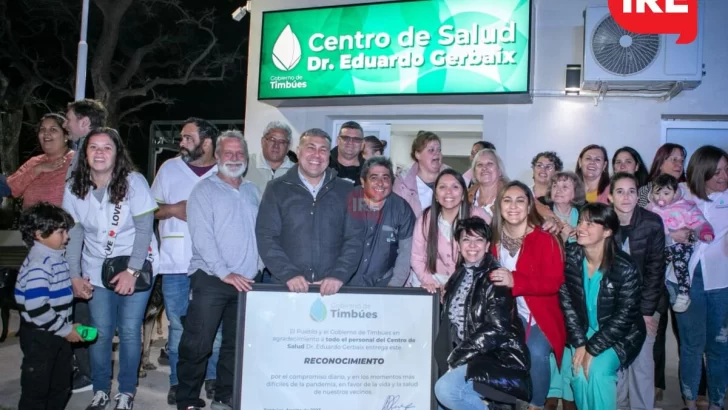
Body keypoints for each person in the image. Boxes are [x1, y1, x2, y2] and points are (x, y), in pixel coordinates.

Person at [63, 128, 159, 410]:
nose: (100, 153)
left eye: (107, 147)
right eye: (94, 147)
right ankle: (101, 389)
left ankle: (126, 392)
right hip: (95, 268)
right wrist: (75, 275)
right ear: (85, 153)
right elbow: (75, 235)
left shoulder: (134, 182)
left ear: (117, 153)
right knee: (101, 331)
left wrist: (131, 271)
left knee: (129, 330)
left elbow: (144, 229)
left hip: (134, 265)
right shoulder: (73, 186)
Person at [176, 131, 260, 410]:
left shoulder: (251, 190)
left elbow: (258, 233)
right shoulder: (204, 190)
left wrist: (257, 267)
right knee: (198, 344)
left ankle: (224, 397)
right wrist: (225, 273)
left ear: (246, 159)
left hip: (246, 282)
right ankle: (187, 399)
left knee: (235, 347)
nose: (234, 158)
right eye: (228, 153)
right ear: (219, 156)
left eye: (239, 154)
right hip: (211, 279)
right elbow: (202, 238)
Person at [150, 117, 222, 404]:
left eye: (188, 138)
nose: (181, 142)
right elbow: (149, 209)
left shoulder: (224, 171)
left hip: (214, 265)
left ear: (207, 142)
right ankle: (177, 382)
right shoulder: (169, 168)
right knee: (178, 325)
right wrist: (173, 209)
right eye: (181, 137)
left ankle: (212, 378)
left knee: (214, 326)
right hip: (176, 262)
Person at [434, 217, 530, 410]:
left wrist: (458, 355)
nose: (472, 245)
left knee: (446, 390)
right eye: (466, 239)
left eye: (478, 240)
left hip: (497, 357)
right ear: (458, 245)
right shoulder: (458, 276)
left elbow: (497, 329)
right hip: (470, 355)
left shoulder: (496, 277)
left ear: (487, 246)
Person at [256, 128, 364, 295]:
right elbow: (266, 237)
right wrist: (289, 274)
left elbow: (356, 239)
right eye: (310, 148)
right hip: (287, 287)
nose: (316, 155)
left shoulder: (351, 191)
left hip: (334, 289)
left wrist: (338, 275)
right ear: (298, 152)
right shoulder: (275, 189)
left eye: (323, 150)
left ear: (329, 155)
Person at [559, 203, 646, 410]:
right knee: (579, 375)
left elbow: (624, 317)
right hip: (582, 331)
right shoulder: (569, 257)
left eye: (590, 224)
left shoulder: (625, 268)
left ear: (607, 231)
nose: (581, 228)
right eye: (580, 221)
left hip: (619, 335)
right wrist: (580, 343)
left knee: (597, 373)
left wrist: (592, 348)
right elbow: (567, 305)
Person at [489, 181, 566, 410]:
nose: (513, 206)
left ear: (529, 205)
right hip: (508, 315)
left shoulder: (545, 239)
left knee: (537, 351)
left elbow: (553, 283)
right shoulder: (492, 241)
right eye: (507, 200)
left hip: (539, 315)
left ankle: (536, 405)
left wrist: (516, 281)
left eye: (520, 200)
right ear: (499, 206)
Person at [666, 145, 728, 410]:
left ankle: (717, 402)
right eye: (716, 172)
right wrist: (671, 235)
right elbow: (650, 218)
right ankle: (689, 403)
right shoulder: (681, 194)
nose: (724, 176)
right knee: (692, 346)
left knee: (719, 345)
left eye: (726, 169)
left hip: (721, 281)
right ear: (701, 173)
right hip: (683, 282)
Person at [15, 202, 84, 410]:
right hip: (40, 337)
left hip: (55, 331)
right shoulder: (40, 263)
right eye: (61, 232)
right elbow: (36, 307)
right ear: (39, 234)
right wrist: (65, 330)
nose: (67, 237)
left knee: (61, 384)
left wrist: (75, 291)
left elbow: (53, 292)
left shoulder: (54, 257)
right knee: (37, 389)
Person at [608, 172, 665, 410]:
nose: (626, 197)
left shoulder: (652, 222)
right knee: (617, 364)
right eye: (620, 192)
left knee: (642, 364)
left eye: (631, 191)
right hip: (613, 308)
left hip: (646, 306)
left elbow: (655, 272)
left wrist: (645, 313)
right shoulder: (603, 223)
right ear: (610, 197)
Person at [62, 98, 107, 393]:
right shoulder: (80, 155)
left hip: (87, 255)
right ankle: (88, 369)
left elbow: (80, 219)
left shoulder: (89, 160)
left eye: (68, 119)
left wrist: (74, 266)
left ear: (85, 123)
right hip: (84, 253)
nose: (66, 124)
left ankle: (89, 373)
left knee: (84, 314)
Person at [542, 171, 586, 410]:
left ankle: (569, 394)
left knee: (571, 340)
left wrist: (575, 236)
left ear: (575, 192)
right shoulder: (542, 217)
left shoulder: (583, 217)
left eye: (565, 186)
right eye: (555, 186)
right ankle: (552, 391)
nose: (559, 190)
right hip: (550, 287)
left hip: (576, 287)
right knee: (551, 338)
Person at [646, 174, 714, 312]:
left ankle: (684, 294)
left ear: (675, 193)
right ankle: (663, 287)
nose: (660, 198)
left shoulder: (685, 206)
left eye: (666, 193)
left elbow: (699, 220)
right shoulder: (651, 208)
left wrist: (704, 231)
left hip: (681, 245)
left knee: (680, 265)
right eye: (657, 193)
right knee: (656, 266)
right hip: (663, 245)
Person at [411, 169, 489, 290]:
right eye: (442, 187)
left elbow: (490, 253)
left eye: (455, 187)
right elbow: (417, 258)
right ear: (436, 195)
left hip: (468, 283)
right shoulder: (425, 218)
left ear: (463, 193)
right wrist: (432, 284)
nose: (448, 192)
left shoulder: (479, 216)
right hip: (430, 281)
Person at [348, 157, 415, 287]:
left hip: (384, 284)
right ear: (363, 181)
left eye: (385, 178)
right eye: (374, 178)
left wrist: (393, 287)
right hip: (345, 284)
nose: (380, 183)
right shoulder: (350, 202)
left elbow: (406, 253)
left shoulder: (401, 209)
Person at [7, 114, 75, 208]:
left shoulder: (76, 162)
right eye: (42, 130)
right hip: (29, 221)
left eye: (53, 129)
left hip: (63, 221)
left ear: (66, 136)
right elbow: (10, 189)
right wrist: (38, 169)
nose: (46, 134)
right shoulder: (34, 162)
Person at [393, 131, 448, 218]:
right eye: (431, 150)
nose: (437, 153)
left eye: (439, 150)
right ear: (418, 154)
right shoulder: (402, 183)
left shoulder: (452, 178)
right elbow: (396, 216)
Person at [245, 121, 295, 195]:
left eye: (282, 141)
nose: (276, 145)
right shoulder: (246, 164)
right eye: (272, 139)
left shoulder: (296, 172)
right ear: (263, 141)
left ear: (288, 146)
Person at [638, 143, 687, 207]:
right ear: (660, 163)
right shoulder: (645, 191)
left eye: (682, 161)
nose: (680, 164)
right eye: (674, 160)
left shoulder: (688, 190)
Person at [468, 149, 507, 218]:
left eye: (490, 163)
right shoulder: (465, 198)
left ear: (499, 171)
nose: (484, 168)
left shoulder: (508, 198)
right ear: (474, 173)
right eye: (480, 165)